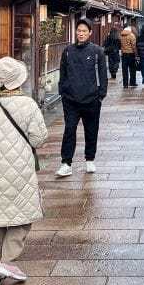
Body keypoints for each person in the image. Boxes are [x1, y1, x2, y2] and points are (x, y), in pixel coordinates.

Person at [0, 56, 47, 285]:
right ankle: (8, 260)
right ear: (18, 81)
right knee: (22, 217)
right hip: (18, 172)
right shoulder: (28, 105)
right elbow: (39, 139)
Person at [56, 17, 107, 177]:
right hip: (70, 99)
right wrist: (62, 91)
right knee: (69, 130)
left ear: (90, 32)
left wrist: (101, 95)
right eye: (79, 30)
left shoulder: (97, 52)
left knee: (91, 130)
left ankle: (90, 159)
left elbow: (102, 75)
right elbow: (63, 73)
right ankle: (66, 163)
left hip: (91, 99)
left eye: (84, 31)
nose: (81, 33)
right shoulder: (68, 51)